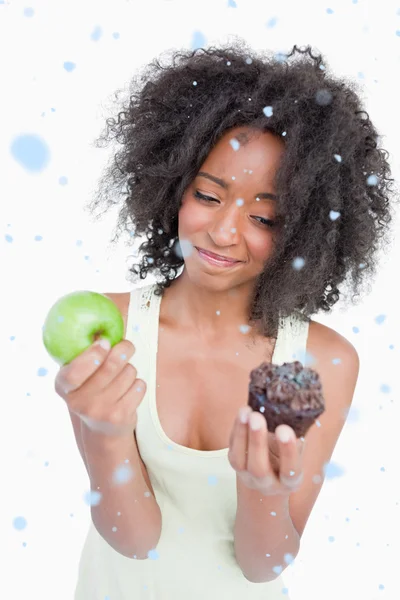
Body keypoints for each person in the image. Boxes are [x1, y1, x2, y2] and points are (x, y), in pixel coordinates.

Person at [55, 40, 397, 599]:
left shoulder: (323, 361)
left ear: (303, 231)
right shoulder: (111, 328)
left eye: (263, 215)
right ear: (172, 188)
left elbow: (263, 566)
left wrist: (261, 488)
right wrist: (105, 436)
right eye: (209, 196)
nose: (223, 232)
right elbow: (135, 540)